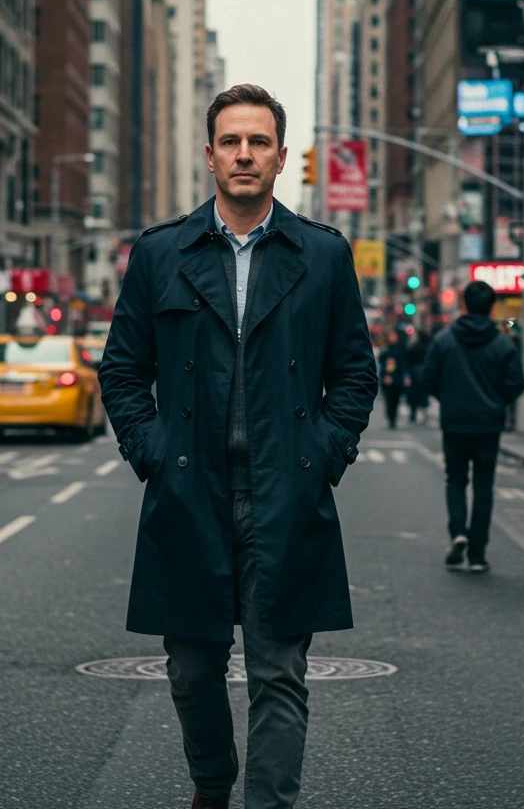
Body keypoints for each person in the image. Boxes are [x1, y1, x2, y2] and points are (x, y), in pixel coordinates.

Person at [98, 84, 378, 809]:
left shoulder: (322, 254)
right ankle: (213, 784)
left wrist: (323, 453)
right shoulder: (161, 253)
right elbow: (124, 369)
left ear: (282, 158)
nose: (244, 154)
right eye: (231, 141)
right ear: (210, 155)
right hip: (189, 491)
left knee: (279, 673)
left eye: (259, 142)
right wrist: (150, 450)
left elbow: (353, 373)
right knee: (190, 671)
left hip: (286, 493)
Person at [421, 280, 524, 572]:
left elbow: (428, 377)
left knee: (455, 480)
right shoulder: (504, 342)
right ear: (493, 307)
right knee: (483, 485)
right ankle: (477, 554)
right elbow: (517, 383)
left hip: (454, 422)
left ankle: (459, 533)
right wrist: (496, 401)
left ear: (464, 304)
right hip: (488, 425)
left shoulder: (444, 339)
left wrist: (448, 398)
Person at [377, 329, 410, 429]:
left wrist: (406, 377)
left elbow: (404, 364)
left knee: (396, 400)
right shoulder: (385, 350)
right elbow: (381, 365)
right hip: (387, 379)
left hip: (397, 378)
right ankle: (390, 417)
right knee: (389, 400)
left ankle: (393, 418)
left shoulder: (401, 350)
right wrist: (384, 376)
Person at [404, 329, 431, 424]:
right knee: (422, 394)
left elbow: (407, 358)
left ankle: (413, 413)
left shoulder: (413, 346)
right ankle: (423, 413)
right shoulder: (427, 346)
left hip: (414, 373)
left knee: (414, 395)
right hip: (421, 373)